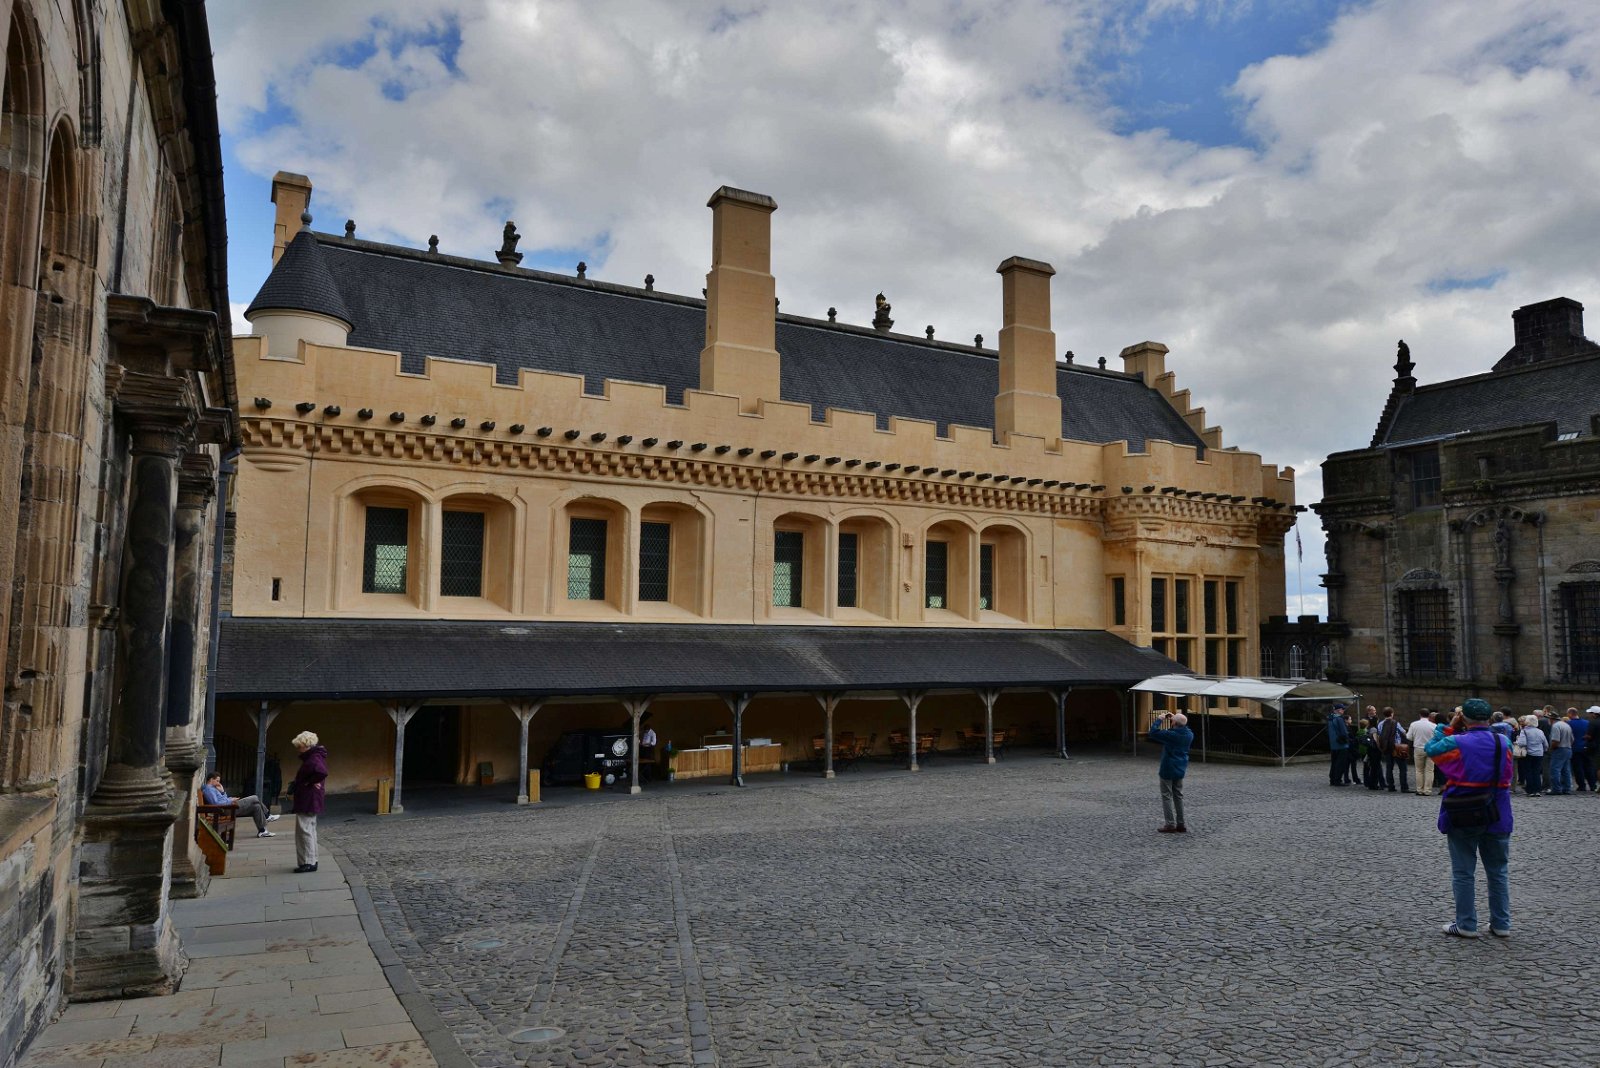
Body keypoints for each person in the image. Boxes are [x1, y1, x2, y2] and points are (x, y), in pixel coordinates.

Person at [1425, 698, 1514, 938]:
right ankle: (1501, 923)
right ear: (1488, 717)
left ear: (1464, 718)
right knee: (1498, 871)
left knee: (1463, 872)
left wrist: (1448, 727)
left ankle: (1466, 924)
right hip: (1497, 812)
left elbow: (1431, 750)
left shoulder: (1456, 741)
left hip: (1463, 811)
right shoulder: (1503, 742)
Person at [1148, 711, 1194, 833]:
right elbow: (1183, 725)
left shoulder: (1171, 735)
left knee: (1167, 796)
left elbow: (1153, 733)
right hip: (1180, 768)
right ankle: (1181, 824)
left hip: (1168, 768)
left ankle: (1170, 824)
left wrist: (1160, 719)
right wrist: (1175, 718)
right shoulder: (1189, 734)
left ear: (1174, 723)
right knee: (1178, 796)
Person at [290, 731, 328, 874]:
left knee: (304, 830)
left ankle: (307, 862)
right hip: (312, 798)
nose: (298, 749)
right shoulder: (316, 756)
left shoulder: (313, 758)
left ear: (305, 745)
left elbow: (321, 772)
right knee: (310, 829)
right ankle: (312, 859)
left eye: (299, 746)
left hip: (308, 798)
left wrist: (308, 782)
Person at [200, 773, 281, 837]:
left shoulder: (213, 789)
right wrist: (230, 801)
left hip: (229, 806)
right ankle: (267, 815)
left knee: (256, 807)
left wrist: (223, 792)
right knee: (254, 798)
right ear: (211, 779)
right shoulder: (208, 789)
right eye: (217, 781)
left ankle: (262, 831)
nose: (218, 783)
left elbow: (221, 800)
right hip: (228, 809)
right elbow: (216, 804)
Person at [1378, 707, 1409, 793]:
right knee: (1402, 768)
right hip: (1397, 747)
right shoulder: (1395, 723)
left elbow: (1380, 735)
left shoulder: (1380, 724)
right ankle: (1404, 787)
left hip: (1387, 748)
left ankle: (1391, 786)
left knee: (1389, 767)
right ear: (1392, 713)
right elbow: (1403, 732)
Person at [1407, 710, 1437, 796]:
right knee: (1430, 770)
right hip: (1430, 748)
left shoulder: (1414, 724)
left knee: (1419, 770)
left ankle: (1419, 789)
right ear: (1429, 715)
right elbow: (1436, 737)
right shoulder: (1434, 726)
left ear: (1420, 715)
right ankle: (1427, 790)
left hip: (1418, 748)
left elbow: (1409, 737)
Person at [1514, 715, 1546, 797]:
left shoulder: (1524, 731)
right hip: (1539, 754)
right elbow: (1545, 744)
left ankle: (1530, 790)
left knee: (1528, 771)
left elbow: (1522, 743)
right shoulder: (1540, 731)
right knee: (1537, 772)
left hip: (1529, 753)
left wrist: (1517, 743)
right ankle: (1537, 790)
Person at [1547, 710, 1574, 794]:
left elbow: (1555, 740)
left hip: (1559, 749)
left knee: (1555, 769)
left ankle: (1556, 789)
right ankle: (1567, 788)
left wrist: (1551, 748)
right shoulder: (1566, 725)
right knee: (1566, 770)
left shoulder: (1555, 726)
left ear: (1551, 719)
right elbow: (1572, 739)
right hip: (1568, 749)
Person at [1577, 707, 1600, 793]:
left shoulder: (1593, 723)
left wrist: (1584, 737)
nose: (1589, 715)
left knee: (1598, 767)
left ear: (1594, 714)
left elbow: (1589, 736)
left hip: (1597, 748)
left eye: (1590, 713)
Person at [1327, 706, 1351, 787]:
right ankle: (1338, 780)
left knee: (1334, 763)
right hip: (1341, 744)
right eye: (1342, 709)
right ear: (1338, 710)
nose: (1343, 710)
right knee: (1340, 763)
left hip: (1333, 744)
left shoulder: (1330, 718)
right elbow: (1344, 732)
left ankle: (1332, 779)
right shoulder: (1339, 719)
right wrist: (1347, 740)